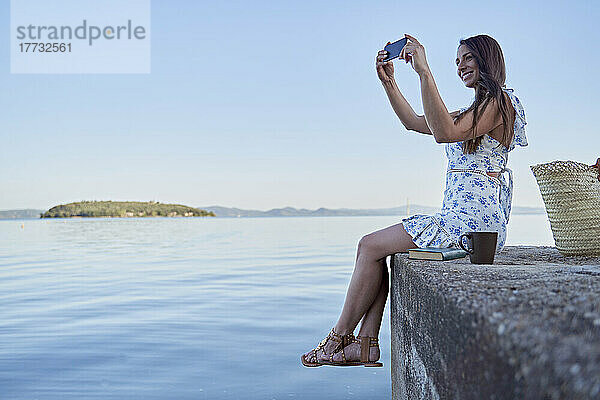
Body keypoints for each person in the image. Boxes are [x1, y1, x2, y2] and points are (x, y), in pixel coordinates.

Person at [301, 34, 528, 367]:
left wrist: (423, 70)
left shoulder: (501, 102)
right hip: (462, 219)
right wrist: (390, 83)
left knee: (368, 246)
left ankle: (338, 340)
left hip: (474, 226)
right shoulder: (472, 111)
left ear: (487, 59)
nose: (460, 66)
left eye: (467, 58)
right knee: (377, 251)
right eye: (456, 61)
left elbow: (444, 133)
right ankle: (364, 343)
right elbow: (414, 123)